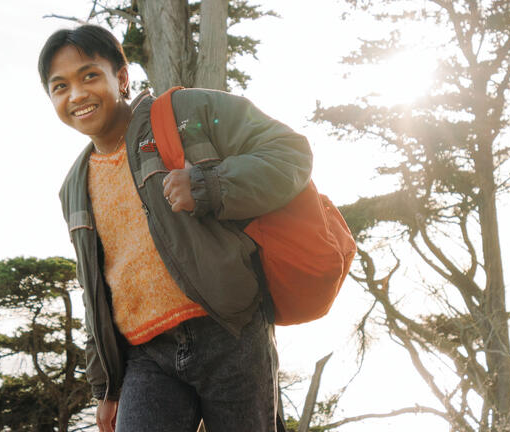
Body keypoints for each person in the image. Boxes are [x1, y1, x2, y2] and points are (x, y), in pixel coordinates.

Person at [38, 24, 312, 432]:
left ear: (123, 77)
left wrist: (210, 186)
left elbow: (290, 153)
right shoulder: (73, 187)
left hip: (229, 332)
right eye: (60, 87)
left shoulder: (187, 112)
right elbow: (94, 289)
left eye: (89, 76)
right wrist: (106, 390)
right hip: (146, 357)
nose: (76, 95)